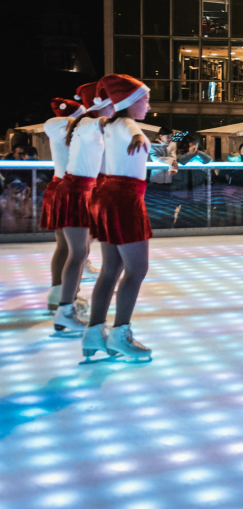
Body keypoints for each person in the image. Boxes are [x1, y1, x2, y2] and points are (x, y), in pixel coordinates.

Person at [84, 74, 155, 360]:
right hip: (125, 200)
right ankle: (119, 334)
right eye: (146, 99)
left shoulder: (109, 125)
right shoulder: (126, 123)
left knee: (110, 270)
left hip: (107, 196)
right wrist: (138, 135)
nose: (149, 106)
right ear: (131, 102)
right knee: (136, 270)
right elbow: (132, 131)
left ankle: (93, 333)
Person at [51, 82, 114, 333]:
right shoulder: (89, 124)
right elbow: (105, 124)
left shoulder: (87, 126)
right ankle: (65, 309)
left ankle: (68, 306)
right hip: (76, 192)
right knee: (77, 254)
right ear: (101, 105)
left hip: (82, 192)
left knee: (79, 253)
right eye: (112, 103)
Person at [41, 96, 85, 319]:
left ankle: (58, 295)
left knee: (65, 248)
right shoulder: (67, 128)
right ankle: (67, 298)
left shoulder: (62, 129)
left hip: (60, 186)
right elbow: (51, 123)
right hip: (72, 189)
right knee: (76, 251)